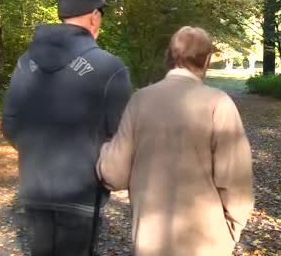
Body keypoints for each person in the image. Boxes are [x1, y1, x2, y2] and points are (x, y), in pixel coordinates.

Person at [97, 26, 254, 256]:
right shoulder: (218, 104)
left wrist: (103, 152)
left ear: (168, 57)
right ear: (207, 60)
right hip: (207, 241)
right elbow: (236, 180)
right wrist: (232, 230)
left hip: (150, 240)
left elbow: (113, 173)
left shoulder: (140, 100)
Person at [2, 0, 132, 256]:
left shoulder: (25, 63)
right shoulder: (110, 68)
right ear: (95, 16)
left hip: (34, 186)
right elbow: (121, 136)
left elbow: (10, 124)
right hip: (82, 191)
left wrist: (37, 152)